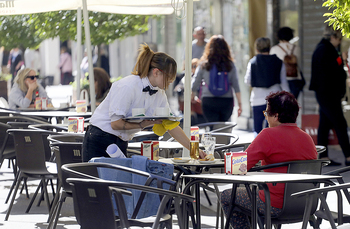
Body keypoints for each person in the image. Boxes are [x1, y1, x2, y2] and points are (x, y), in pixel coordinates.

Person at [82, 43, 206, 162]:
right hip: (98, 138)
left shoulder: (159, 93)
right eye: (169, 77)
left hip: (121, 141)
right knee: (96, 182)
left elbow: (171, 126)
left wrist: (194, 150)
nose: (171, 81)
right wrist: (143, 125)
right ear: (156, 72)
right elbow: (116, 124)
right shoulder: (127, 86)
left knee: (118, 182)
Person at [221, 91, 317, 229]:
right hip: (307, 205)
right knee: (247, 192)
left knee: (227, 196)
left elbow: (239, 167)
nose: (266, 118)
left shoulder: (268, 135)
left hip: (274, 205)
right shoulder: (307, 138)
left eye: (267, 114)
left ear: (276, 116)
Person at [310, 24, 350, 166]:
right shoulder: (325, 49)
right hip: (328, 94)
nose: (340, 41)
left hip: (326, 93)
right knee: (340, 123)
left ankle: (323, 157)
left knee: (325, 125)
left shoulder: (323, 48)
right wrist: (341, 59)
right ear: (333, 37)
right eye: (339, 38)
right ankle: (348, 156)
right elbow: (330, 69)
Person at [244, 37, 290, 136]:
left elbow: (247, 80)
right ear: (270, 47)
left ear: (256, 49)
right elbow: (284, 82)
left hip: (257, 98)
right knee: (272, 129)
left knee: (257, 130)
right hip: (275, 99)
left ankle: (258, 149)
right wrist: (289, 97)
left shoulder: (253, 62)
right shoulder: (278, 61)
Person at [191, 35, 242, 123]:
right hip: (226, 100)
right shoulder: (230, 65)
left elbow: (195, 82)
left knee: (213, 128)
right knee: (223, 128)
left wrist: (192, 97)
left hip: (208, 100)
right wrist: (240, 104)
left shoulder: (204, 64)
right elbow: (236, 84)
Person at [270, 27, 304, 99]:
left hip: (281, 80)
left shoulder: (274, 49)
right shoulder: (297, 48)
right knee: (293, 104)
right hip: (295, 79)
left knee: (282, 105)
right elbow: (300, 64)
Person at [174, 58, 205, 125]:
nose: (194, 68)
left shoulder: (204, 77)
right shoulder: (186, 77)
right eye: (192, 66)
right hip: (190, 104)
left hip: (202, 104)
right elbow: (178, 88)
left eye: (196, 66)